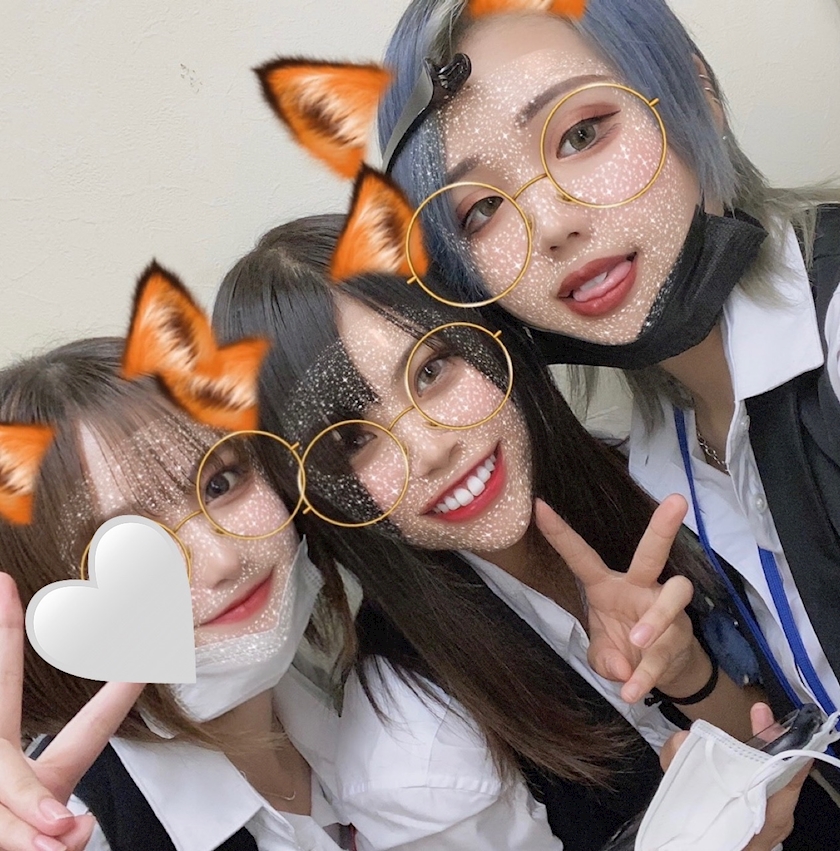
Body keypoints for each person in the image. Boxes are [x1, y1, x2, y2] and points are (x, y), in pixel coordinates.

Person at [212, 211, 821, 851]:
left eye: (430, 370)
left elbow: (782, 752)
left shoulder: (652, 470)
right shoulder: (418, 757)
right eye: (355, 440)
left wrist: (689, 673)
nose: (430, 448)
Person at [374, 0, 840, 729]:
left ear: (698, 95)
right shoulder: (657, 452)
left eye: (582, 133)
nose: (550, 224)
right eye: (482, 210)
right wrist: (688, 677)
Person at [0, 268, 355, 851]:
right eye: (131, 542)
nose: (221, 559)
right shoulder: (80, 826)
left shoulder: (357, 689)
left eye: (222, 483)